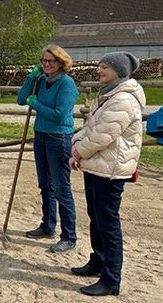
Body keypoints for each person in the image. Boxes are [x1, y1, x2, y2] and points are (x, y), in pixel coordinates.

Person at [69, 52, 145, 296]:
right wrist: (77, 140)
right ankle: (98, 261)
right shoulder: (109, 95)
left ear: (117, 70)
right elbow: (92, 127)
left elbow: (103, 135)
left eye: (103, 67)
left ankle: (111, 279)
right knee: (96, 216)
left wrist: (78, 151)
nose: (99, 70)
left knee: (108, 222)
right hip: (98, 165)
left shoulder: (123, 99)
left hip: (110, 168)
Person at [17, 45, 79, 253]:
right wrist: (31, 77)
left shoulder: (67, 84)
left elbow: (59, 114)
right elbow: (20, 100)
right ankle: (47, 226)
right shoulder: (41, 80)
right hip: (41, 136)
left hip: (58, 138)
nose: (45, 65)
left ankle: (69, 236)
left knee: (62, 188)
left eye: (50, 61)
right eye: (43, 61)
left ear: (61, 63)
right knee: (45, 184)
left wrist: (36, 105)